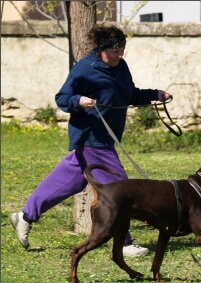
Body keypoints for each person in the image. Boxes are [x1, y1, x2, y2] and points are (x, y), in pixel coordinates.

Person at [9, 24, 172, 257]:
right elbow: (62, 98)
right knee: (119, 189)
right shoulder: (84, 69)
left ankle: (25, 216)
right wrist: (79, 100)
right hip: (91, 137)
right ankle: (123, 242)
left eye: (122, 49)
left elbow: (129, 94)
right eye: (115, 50)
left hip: (104, 139)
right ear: (101, 49)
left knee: (67, 182)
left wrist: (155, 95)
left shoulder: (121, 67)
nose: (120, 54)